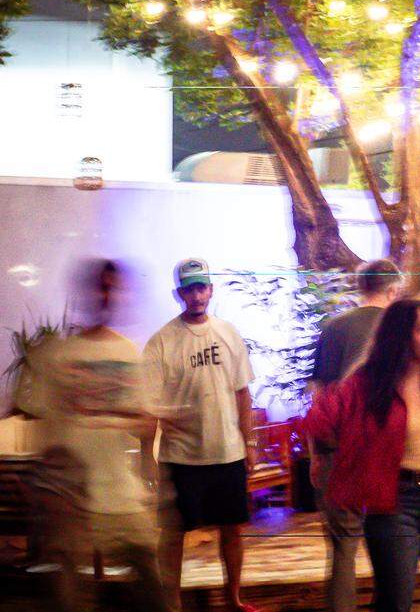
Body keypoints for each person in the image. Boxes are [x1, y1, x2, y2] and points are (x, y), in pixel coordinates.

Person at [302, 296, 420, 612]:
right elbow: (319, 420)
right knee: (395, 603)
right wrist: (338, 453)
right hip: (394, 504)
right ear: (402, 336)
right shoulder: (369, 382)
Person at [19, 259, 171, 612]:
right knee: (70, 591)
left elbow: (144, 422)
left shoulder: (128, 353)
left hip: (120, 493)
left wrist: (151, 475)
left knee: (150, 574)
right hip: (72, 500)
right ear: (85, 292)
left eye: (112, 288)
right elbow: (42, 424)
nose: (106, 295)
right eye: (100, 287)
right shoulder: (58, 355)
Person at [145, 258, 260, 612]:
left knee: (233, 528)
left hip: (227, 450)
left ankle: (233, 598)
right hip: (181, 457)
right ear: (179, 293)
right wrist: (147, 462)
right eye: (189, 289)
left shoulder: (228, 333)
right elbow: (148, 406)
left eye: (202, 287)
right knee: (173, 534)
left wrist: (250, 442)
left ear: (210, 290)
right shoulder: (162, 342)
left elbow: (242, 392)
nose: (196, 295)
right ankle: (172, 603)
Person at [308, 259, 403, 612]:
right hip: (391, 455)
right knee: (391, 549)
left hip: (338, 452)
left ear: (361, 287)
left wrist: (317, 454)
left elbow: (319, 396)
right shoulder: (400, 329)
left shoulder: (334, 329)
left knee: (343, 548)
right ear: (393, 290)